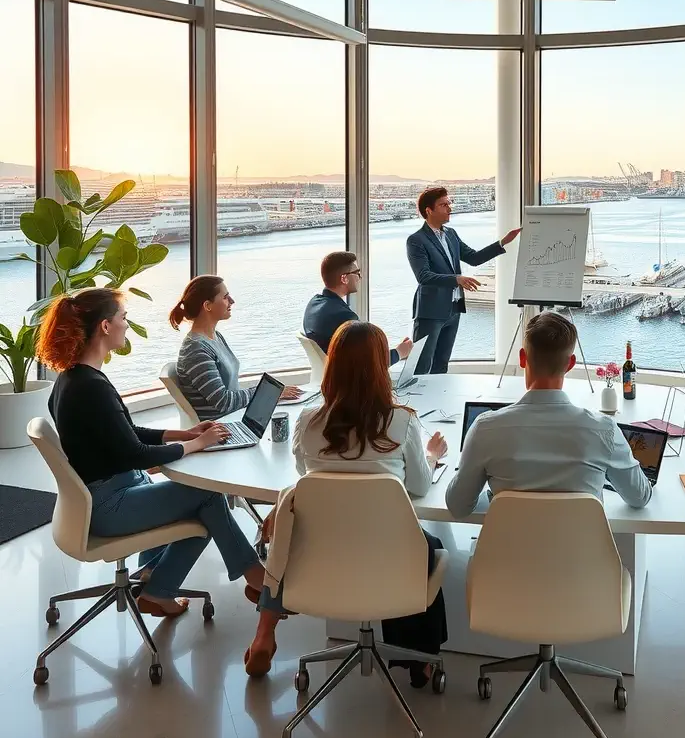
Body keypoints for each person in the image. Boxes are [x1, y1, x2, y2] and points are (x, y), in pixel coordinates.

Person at [38, 287, 267, 618]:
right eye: (123, 318)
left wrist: (184, 434)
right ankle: (254, 576)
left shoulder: (72, 380)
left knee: (201, 505)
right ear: (105, 326)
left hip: (105, 492)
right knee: (208, 497)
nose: (126, 326)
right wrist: (194, 445)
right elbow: (136, 453)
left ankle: (154, 583)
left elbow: (125, 434)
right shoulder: (92, 388)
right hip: (109, 505)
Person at [246, 320, 449, 682]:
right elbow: (418, 487)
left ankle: (266, 631)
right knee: (427, 546)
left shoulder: (308, 421)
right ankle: (418, 660)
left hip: (321, 557)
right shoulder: (400, 421)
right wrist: (432, 456)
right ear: (379, 369)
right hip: (387, 559)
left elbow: (306, 477)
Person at [446, 311, 653, 517]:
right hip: (580, 550)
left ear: (522, 358)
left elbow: (458, 506)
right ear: (570, 364)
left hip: (509, 549)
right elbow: (640, 497)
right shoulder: (604, 430)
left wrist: (496, 498)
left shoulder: (485, 429)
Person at [406, 186, 521, 375]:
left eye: (449, 203)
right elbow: (423, 276)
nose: (449, 208)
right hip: (430, 311)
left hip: (453, 309)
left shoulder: (451, 234)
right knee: (421, 365)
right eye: (443, 205)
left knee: (441, 364)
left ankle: (438, 403)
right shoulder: (416, 240)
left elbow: (474, 258)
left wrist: (502, 243)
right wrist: (457, 279)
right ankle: (416, 403)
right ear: (429, 210)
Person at [171, 275, 301, 420]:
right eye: (225, 297)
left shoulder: (215, 336)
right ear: (208, 306)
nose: (232, 301)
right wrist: (268, 393)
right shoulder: (195, 349)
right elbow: (224, 402)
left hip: (234, 416)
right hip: (221, 427)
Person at [302, 250, 413, 365]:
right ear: (344, 279)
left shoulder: (313, 304)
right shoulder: (344, 317)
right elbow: (368, 364)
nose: (360, 277)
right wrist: (399, 353)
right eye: (357, 273)